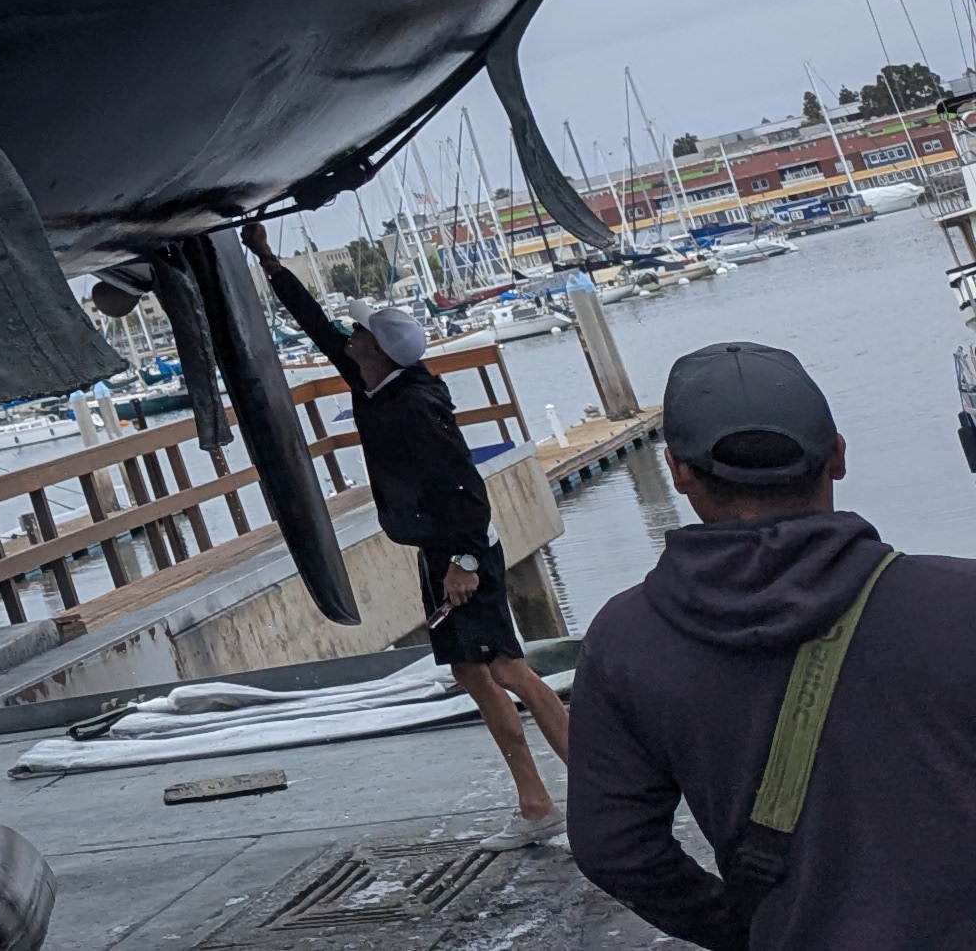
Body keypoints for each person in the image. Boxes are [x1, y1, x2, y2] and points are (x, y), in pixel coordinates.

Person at [566, 342, 976, 948]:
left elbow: (613, 847)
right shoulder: (958, 600)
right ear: (837, 455)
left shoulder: (624, 641)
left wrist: (748, 927)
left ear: (678, 472)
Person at [243, 221, 569, 846]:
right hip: (435, 550)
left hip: (465, 548)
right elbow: (318, 326)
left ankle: (597, 795)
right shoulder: (372, 380)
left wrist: (467, 563)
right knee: (473, 675)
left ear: (378, 350)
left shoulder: (416, 406)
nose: (351, 336)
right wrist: (269, 263)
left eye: (360, 331)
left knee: (508, 669)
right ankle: (535, 804)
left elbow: (467, 488)